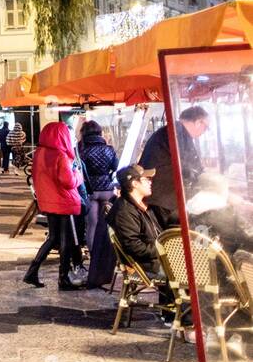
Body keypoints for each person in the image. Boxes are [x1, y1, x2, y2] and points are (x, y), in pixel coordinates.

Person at [106, 165, 178, 319]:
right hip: (144, 265)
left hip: (155, 259)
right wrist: (166, 250)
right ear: (134, 184)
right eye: (146, 179)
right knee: (193, 272)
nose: (151, 182)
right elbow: (135, 247)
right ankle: (186, 321)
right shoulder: (124, 211)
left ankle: (170, 315)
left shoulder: (142, 206)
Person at [23, 121, 84, 290]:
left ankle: (32, 272)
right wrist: (78, 175)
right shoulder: (60, 156)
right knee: (66, 241)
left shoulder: (40, 153)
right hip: (63, 202)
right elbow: (68, 181)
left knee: (53, 238)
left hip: (48, 201)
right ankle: (63, 278)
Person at [138, 106, 208, 215]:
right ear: (199, 122)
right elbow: (193, 167)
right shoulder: (179, 134)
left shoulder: (171, 130)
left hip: (158, 196)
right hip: (164, 198)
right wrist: (209, 181)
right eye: (206, 127)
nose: (204, 132)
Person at [78, 119, 118, 262]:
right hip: (107, 190)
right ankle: (107, 255)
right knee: (107, 224)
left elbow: (79, 171)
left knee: (92, 225)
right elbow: (115, 167)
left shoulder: (81, 150)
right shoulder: (109, 149)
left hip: (90, 191)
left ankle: (94, 257)